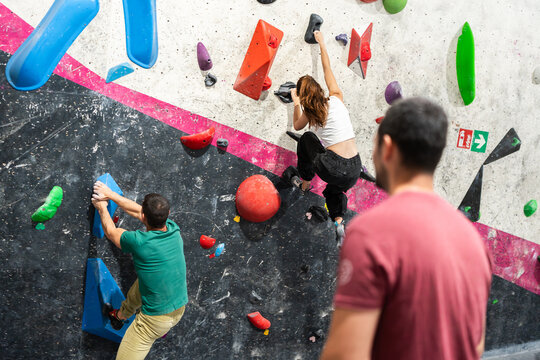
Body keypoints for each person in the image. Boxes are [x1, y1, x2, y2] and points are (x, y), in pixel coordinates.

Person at [320, 97, 492, 360]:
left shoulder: (372, 232)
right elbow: (474, 346)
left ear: (387, 148)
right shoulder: (475, 243)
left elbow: (345, 354)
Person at [288, 30, 373, 246]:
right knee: (336, 189)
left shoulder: (310, 112)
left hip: (333, 166)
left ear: (306, 97)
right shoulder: (336, 96)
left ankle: (305, 183)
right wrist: (321, 43)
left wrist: (296, 102)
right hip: (355, 167)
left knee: (307, 138)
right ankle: (338, 222)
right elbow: (328, 69)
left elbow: (296, 125)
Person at [91, 182, 188, 360]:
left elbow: (112, 233)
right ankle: (120, 315)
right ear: (168, 215)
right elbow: (138, 211)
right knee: (143, 282)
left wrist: (101, 207)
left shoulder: (140, 241)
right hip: (178, 306)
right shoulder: (173, 229)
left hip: (153, 322)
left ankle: (124, 316)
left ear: (145, 215)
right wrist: (110, 194)